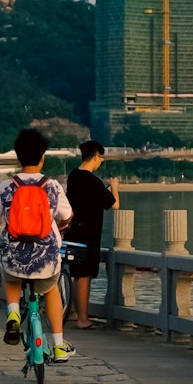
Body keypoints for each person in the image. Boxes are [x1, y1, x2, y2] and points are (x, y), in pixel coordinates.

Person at [0, 126, 75, 363]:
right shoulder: (52, 186)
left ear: (17, 155)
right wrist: (61, 226)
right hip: (46, 258)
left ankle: (13, 315)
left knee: (10, 276)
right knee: (52, 288)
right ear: (43, 156)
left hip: (14, 257)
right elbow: (67, 216)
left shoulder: (6, 187)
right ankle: (58, 345)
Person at [65, 138, 119, 329]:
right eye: (101, 158)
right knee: (85, 275)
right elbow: (115, 204)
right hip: (89, 234)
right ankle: (83, 319)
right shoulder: (94, 181)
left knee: (73, 273)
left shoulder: (73, 176)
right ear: (95, 156)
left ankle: (71, 312)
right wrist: (114, 187)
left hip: (72, 232)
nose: (101, 162)